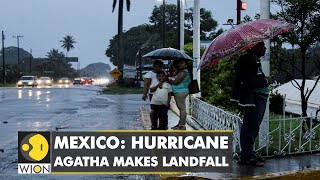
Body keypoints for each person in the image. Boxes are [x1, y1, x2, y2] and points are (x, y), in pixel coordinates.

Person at [231, 42, 269, 167]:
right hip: (254, 98)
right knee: (251, 126)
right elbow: (250, 81)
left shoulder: (253, 60)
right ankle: (247, 156)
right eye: (263, 46)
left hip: (257, 97)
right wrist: (265, 80)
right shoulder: (249, 61)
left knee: (251, 126)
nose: (265, 48)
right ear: (256, 48)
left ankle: (248, 153)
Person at [168, 59, 192, 130]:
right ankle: (180, 124)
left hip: (180, 92)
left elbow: (176, 82)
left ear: (186, 64)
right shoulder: (181, 71)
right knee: (181, 108)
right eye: (179, 63)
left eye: (182, 63)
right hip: (179, 91)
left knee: (182, 109)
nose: (180, 65)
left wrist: (169, 80)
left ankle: (182, 125)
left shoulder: (184, 72)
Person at [142, 60, 164, 129]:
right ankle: (153, 124)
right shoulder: (149, 74)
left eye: (160, 66)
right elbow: (146, 85)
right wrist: (145, 94)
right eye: (157, 66)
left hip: (163, 94)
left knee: (162, 111)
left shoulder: (163, 73)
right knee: (154, 110)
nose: (158, 68)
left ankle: (161, 125)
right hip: (153, 94)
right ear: (153, 66)